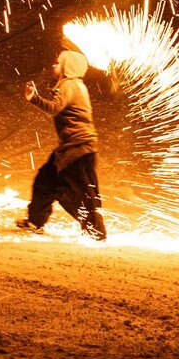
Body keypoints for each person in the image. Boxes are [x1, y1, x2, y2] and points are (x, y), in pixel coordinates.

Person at [17, 49, 106, 239]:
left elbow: (54, 108)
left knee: (82, 193)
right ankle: (35, 221)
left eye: (58, 63)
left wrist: (33, 98)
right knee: (45, 182)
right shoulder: (76, 85)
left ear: (68, 67)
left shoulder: (70, 85)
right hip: (70, 148)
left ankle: (96, 233)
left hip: (79, 148)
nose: (54, 65)